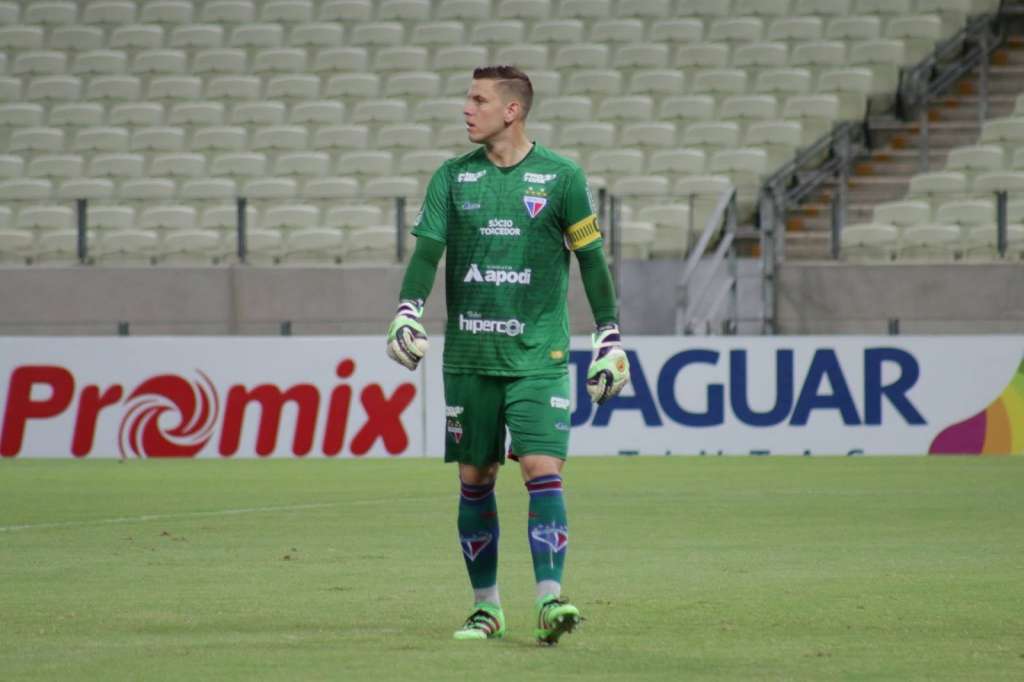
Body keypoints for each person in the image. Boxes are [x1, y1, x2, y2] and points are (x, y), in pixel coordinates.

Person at [385, 65, 630, 645]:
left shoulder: (562, 177)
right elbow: (427, 255)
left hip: (537, 354)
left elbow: (593, 262)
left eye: (478, 99)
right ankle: (487, 608)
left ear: (511, 110)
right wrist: (407, 311)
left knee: (542, 468)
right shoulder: (451, 178)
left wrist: (609, 336)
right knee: (477, 477)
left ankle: (550, 599)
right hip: (469, 355)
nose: (466, 109)